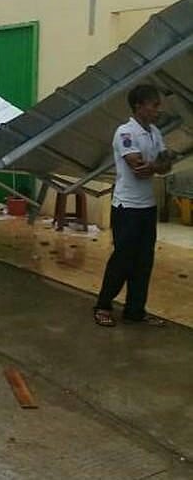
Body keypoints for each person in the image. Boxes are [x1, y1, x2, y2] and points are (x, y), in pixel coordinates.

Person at [94, 84, 173, 327]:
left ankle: (135, 311)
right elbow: (138, 169)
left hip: (147, 208)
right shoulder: (125, 133)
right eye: (154, 105)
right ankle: (103, 306)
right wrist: (157, 165)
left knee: (144, 261)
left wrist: (157, 165)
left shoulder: (154, 132)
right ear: (139, 107)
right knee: (123, 260)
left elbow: (166, 162)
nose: (158, 110)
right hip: (127, 208)